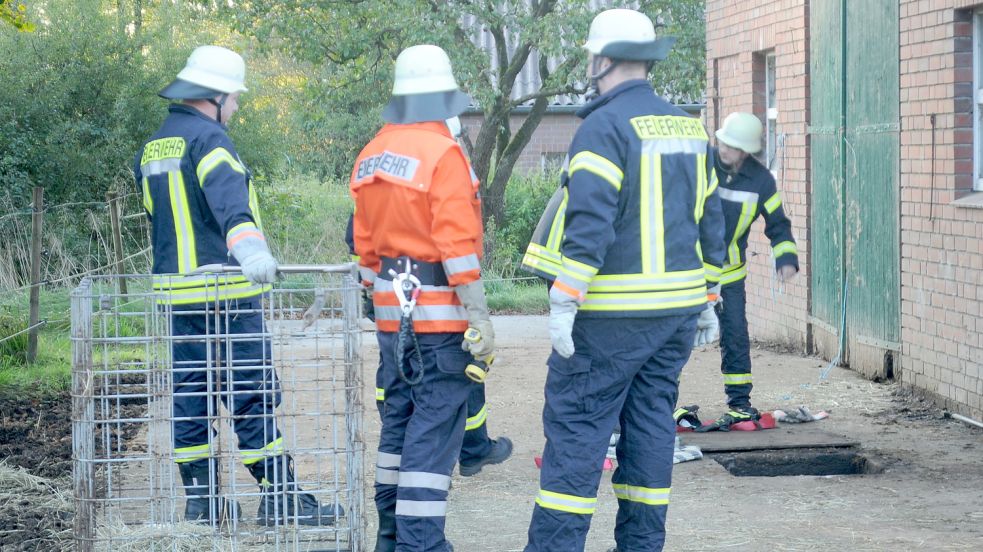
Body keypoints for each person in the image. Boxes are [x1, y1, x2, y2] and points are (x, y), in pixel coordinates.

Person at [520, 9, 725, 552]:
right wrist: (709, 294)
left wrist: (564, 297)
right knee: (652, 429)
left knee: (577, 434)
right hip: (675, 317)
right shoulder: (688, 124)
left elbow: (590, 220)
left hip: (608, 319)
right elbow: (709, 216)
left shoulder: (602, 126)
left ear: (601, 59)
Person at [135, 45, 340, 527]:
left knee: (190, 399)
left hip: (177, 299)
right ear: (217, 95)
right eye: (236, 99)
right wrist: (254, 256)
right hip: (226, 294)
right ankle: (280, 498)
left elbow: (155, 214)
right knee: (252, 394)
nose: (237, 109)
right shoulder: (212, 140)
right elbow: (231, 207)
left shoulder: (154, 146)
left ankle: (202, 506)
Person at [350, 44, 504, 552]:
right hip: (440, 325)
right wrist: (478, 315)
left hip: (394, 324)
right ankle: (423, 544)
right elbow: (457, 246)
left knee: (397, 425)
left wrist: (381, 305)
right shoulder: (444, 155)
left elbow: (366, 249)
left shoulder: (372, 153)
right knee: (433, 436)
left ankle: (390, 537)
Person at [693, 112, 800, 432]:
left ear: (747, 151)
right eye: (723, 142)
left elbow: (778, 224)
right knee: (677, 337)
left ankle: (739, 403)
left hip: (729, 276)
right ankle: (662, 402)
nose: (724, 150)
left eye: (733, 146)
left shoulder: (762, 181)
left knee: (736, 335)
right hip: (690, 270)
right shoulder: (702, 162)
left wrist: (786, 258)